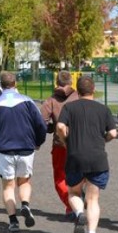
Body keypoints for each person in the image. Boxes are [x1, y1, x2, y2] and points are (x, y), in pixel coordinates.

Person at [0, 71, 47, 233]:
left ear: (0, 85)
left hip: (5, 149)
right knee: (24, 181)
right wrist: (38, 142)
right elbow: (40, 125)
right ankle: (25, 204)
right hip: (26, 147)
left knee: (8, 186)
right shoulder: (27, 101)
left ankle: (13, 221)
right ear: (15, 84)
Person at [57, 76, 117, 233]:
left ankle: (78, 213)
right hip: (97, 158)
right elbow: (113, 133)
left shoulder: (69, 107)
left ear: (78, 89)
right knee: (93, 199)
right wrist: (103, 140)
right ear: (93, 90)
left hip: (75, 156)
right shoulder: (103, 109)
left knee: (74, 193)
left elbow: (60, 126)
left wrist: (65, 140)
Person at [40, 71, 79, 218]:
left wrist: (50, 128)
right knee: (79, 174)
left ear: (57, 82)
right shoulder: (79, 97)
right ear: (71, 81)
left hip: (60, 143)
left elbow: (41, 122)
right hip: (80, 142)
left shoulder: (51, 101)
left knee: (60, 177)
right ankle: (79, 200)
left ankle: (71, 205)